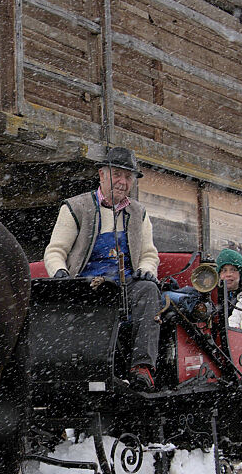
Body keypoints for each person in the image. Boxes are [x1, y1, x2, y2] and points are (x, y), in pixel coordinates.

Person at [43, 145, 161, 391]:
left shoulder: (138, 213)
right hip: (86, 286)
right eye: (117, 174)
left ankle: (142, 368)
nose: (123, 181)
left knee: (149, 290)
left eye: (128, 177)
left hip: (127, 285)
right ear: (102, 175)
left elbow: (149, 254)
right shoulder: (75, 208)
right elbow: (55, 252)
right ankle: (79, 372)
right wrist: (61, 274)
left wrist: (146, 269)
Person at [214, 247, 242, 318]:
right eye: (224, 270)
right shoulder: (214, 295)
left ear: (240, 274)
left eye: (233, 270)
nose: (228, 274)